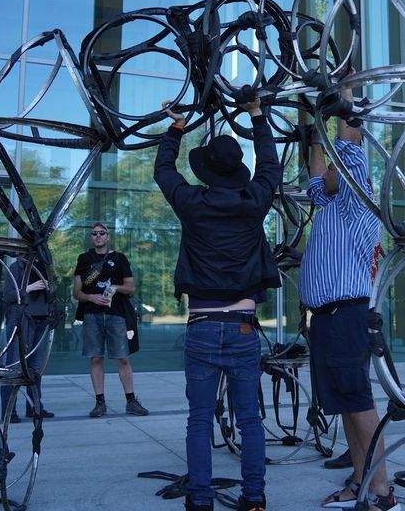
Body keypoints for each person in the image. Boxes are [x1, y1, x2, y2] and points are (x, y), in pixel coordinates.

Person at [155, 97, 280, 511]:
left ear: (207, 170)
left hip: (202, 326)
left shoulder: (192, 203)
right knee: (250, 419)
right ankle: (255, 499)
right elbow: (270, 166)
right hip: (243, 326)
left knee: (198, 420)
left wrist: (176, 128)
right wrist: (257, 116)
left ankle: (201, 501)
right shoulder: (255, 201)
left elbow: (163, 171)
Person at [299, 84, 399, 511]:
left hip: (346, 315)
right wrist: (313, 131)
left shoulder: (357, 200)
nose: (327, 169)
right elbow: (314, 181)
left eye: (333, 165)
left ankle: (382, 491)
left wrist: (345, 97)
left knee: (358, 404)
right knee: (345, 403)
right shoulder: (329, 205)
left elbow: (350, 146)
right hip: (327, 318)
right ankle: (359, 481)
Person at [72, 222, 148, 417]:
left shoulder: (119, 258)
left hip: (116, 315)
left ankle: (131, 401)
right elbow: (77, 292)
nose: (98, 236)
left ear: (108, 236)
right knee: (96, 358)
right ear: (91, 237)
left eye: (102, 233)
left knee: (123, 358)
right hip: (92, 315)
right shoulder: (84, 259)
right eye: (94, 233)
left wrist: (114, 287)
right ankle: (100, 403)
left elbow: (130, 288)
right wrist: (91, 297)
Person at [0, 257, 54, 422]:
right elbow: (8, 296)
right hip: (21, 319)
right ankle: (9, 411)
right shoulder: (17, 266)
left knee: (35, 367)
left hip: (42, 319)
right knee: (14, 364)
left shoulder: (45, 266)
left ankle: (34, 406)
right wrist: (29, 288)